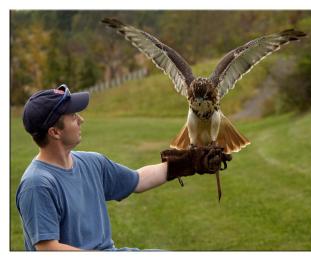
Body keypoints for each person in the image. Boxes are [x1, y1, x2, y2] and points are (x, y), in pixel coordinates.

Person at [16, 84, 231, 251]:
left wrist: (188, 163)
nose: (81, 119)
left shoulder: (91, 163)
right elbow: (48, 250)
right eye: (73, 116)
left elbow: (138, 180)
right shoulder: (38, 184)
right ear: (55, 132)